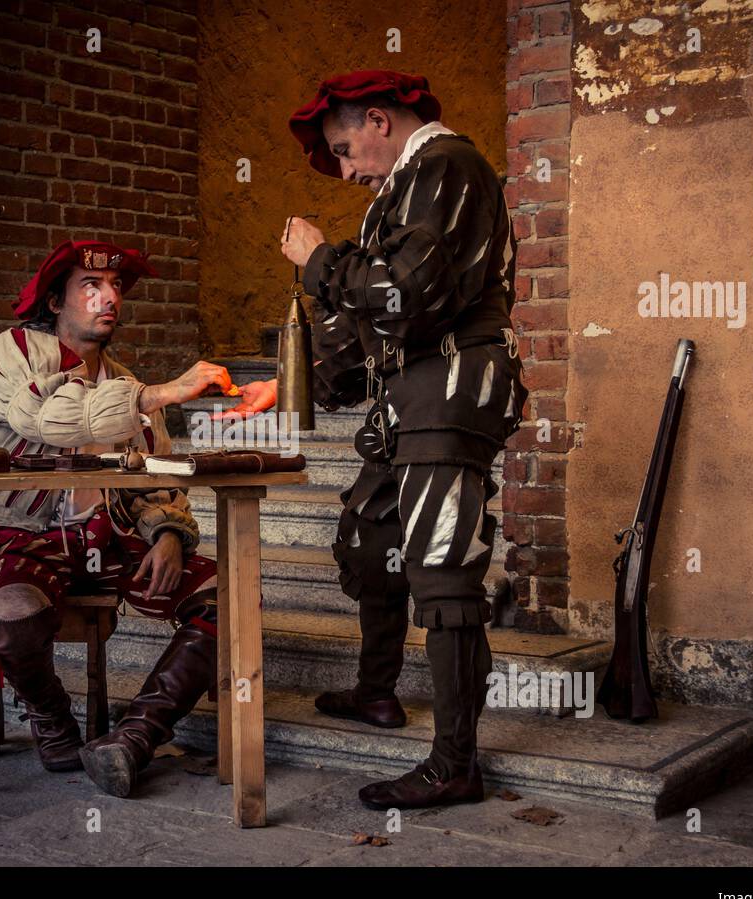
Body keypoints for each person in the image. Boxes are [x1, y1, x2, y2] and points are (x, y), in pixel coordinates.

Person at [225, 70, 528, 809]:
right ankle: (376, 692)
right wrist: (289, 385)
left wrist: (321, 261)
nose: (346, 169)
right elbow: (376, 327)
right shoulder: (401, 188)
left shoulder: (446, 165)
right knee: (370, 538)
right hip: (406, 400)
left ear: (379, 119)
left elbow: (405, 294)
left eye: (344, 148)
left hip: (451, 395)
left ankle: (456, 764)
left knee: (443, 572)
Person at [0, 238, 233, 798]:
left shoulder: (124, 379)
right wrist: (158, 394)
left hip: (104, 536)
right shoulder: (12, 351)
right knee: (13, 614)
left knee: (229, 597)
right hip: (21, 533)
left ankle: (133, 737)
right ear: (56, 301)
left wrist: (165, 531)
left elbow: (151, 475)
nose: (108, 297)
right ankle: (51, 715)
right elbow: (47, 419)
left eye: (114, 287)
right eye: (90, 286)